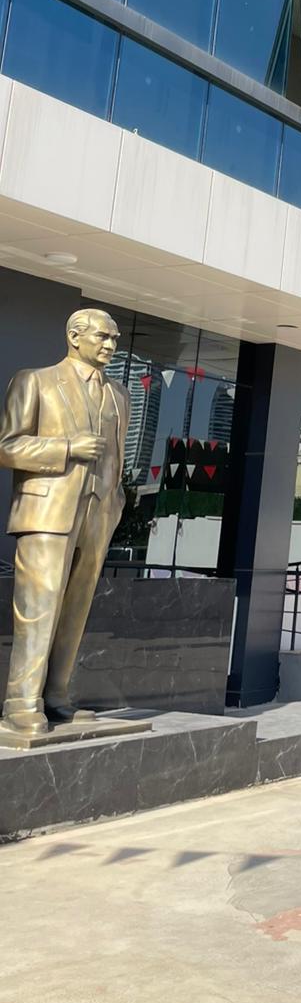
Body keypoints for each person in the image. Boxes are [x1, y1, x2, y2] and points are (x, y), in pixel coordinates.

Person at [0, 308, 130, 737]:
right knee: (37, 609)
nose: (110, 345)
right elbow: (7, 446)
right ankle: (21, 703)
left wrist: (115, 502)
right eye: (102, 336)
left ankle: (56, 696)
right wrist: (67, 447)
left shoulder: (119, 395)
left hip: (98, 513)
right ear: (74, 337)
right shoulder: (35, 381)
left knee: (76, 609)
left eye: (114, 338)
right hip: (46, 512)